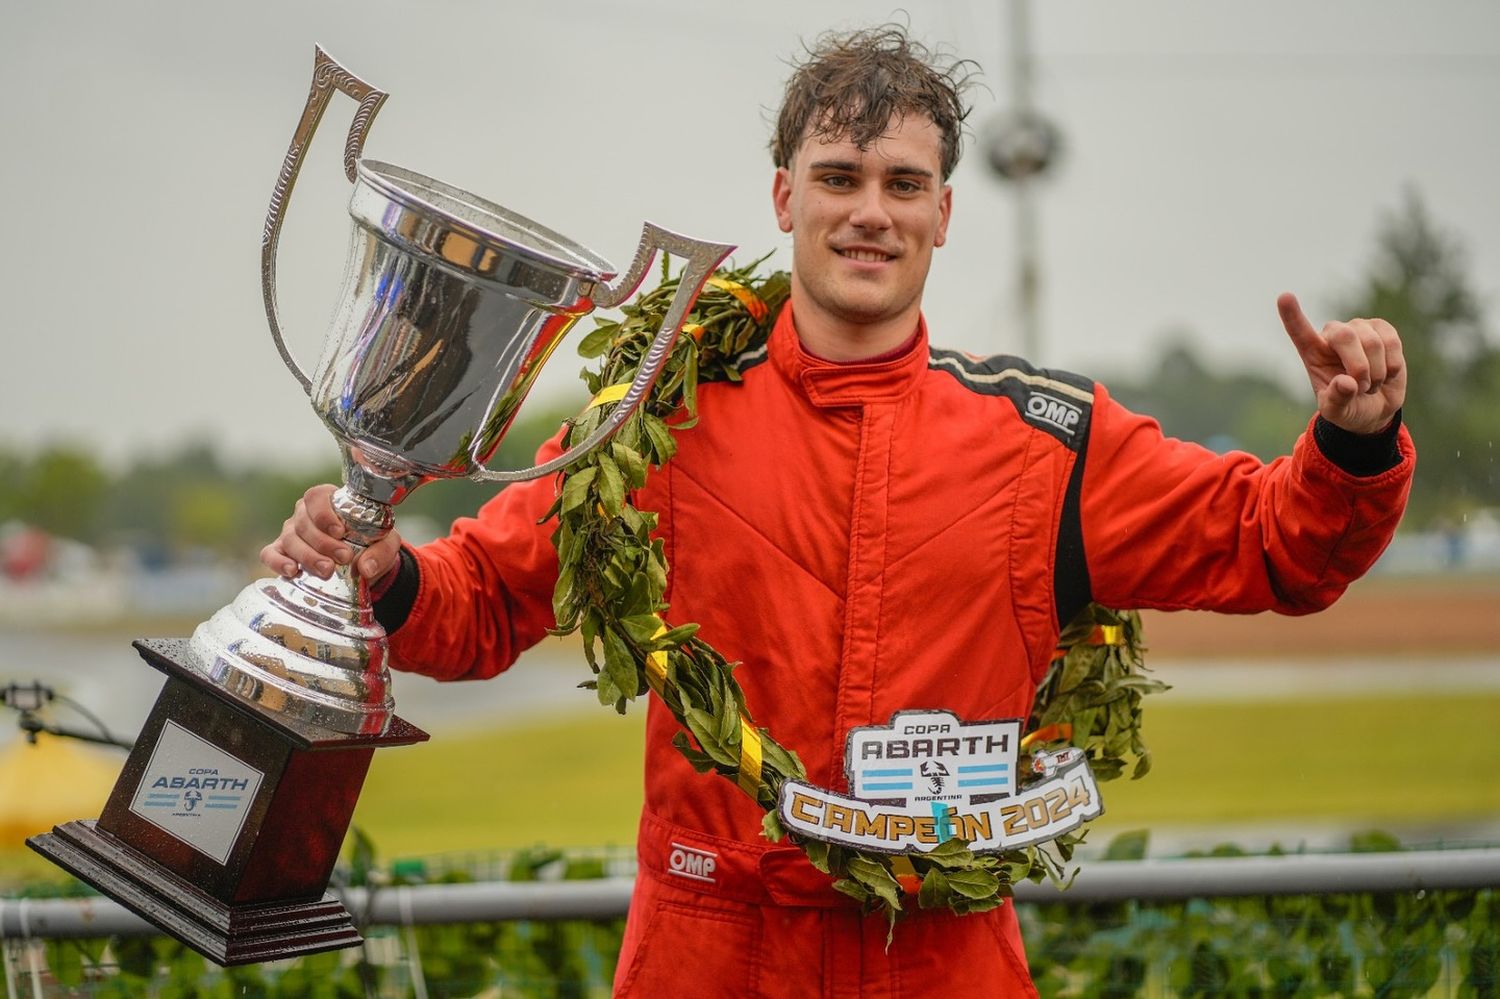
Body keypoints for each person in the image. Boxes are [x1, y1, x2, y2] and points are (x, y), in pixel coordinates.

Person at [262, 26, 1414, 997]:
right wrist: (387, 575)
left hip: (947, 953)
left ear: (945, 213)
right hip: (709, 947)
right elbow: (486, 599)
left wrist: (1350, 444)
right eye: (841, 177)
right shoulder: (656, 419)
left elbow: (1277, 546)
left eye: (903, 185)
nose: (872, 213)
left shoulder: (1053, 442)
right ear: (784, 195)